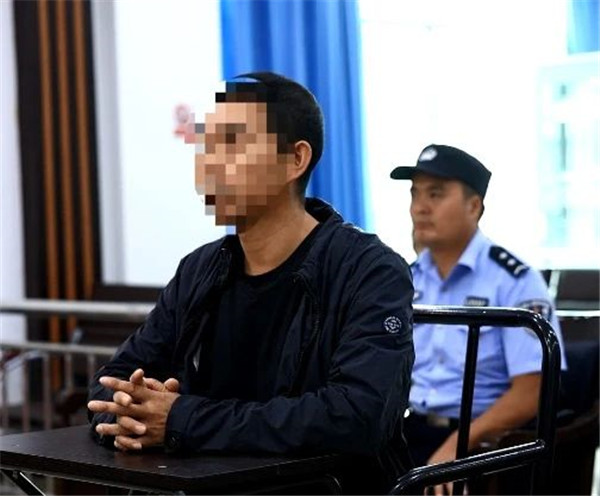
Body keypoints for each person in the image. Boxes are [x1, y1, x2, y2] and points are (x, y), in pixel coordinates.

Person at [88, 72, 414, 492]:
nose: (210, 163)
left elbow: (357, 415)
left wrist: (181, 419)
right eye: (206, 146)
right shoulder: (200, 269)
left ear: (295, 159)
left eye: (232, 143)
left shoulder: (369, 270)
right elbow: (113, 378)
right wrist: (132, 412)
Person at [389, 144, 566, 489]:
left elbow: (534, 390)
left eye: (435, 194)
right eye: (415, 194)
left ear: (474, 206)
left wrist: (456, 447)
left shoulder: (514, 280)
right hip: (406, 432)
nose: (419, 207)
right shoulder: (406, 279)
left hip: (483, 443)